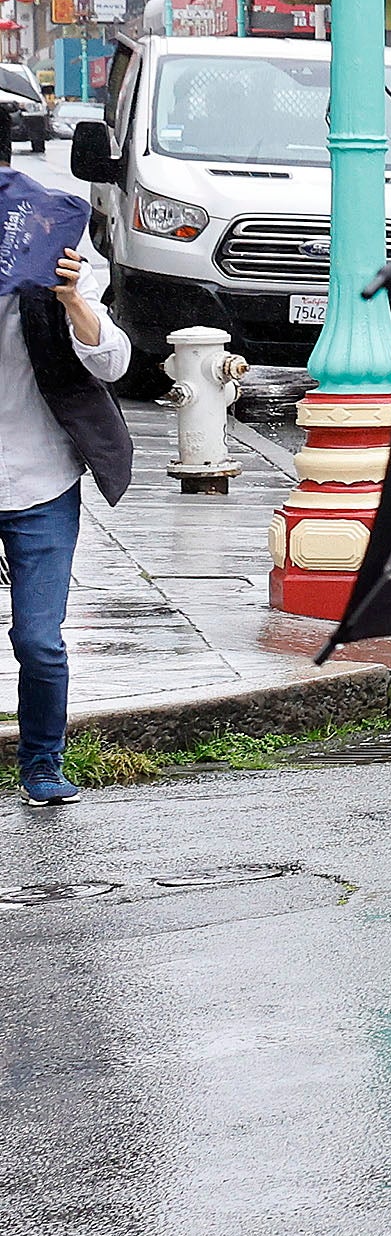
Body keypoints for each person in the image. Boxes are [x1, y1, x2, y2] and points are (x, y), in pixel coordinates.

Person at [9, 221, 130, 807]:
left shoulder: (54, 246)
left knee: (39, 640)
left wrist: (73, 298)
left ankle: (41, 763)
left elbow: (113, 363)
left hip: (41, 483)